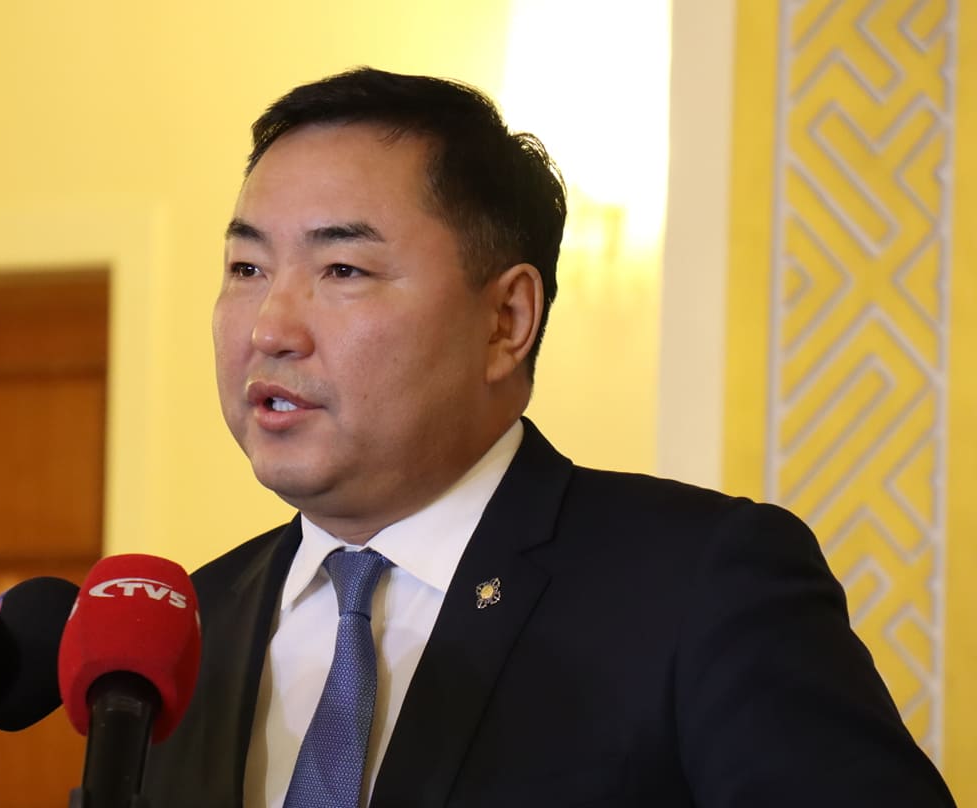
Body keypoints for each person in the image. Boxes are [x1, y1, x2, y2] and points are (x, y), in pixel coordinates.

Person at [142, 67, 954, 807]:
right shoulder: (180, 630)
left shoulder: (699, 587)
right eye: (246, 269)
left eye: (343, 271)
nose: (270, 329)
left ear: (507, 319)